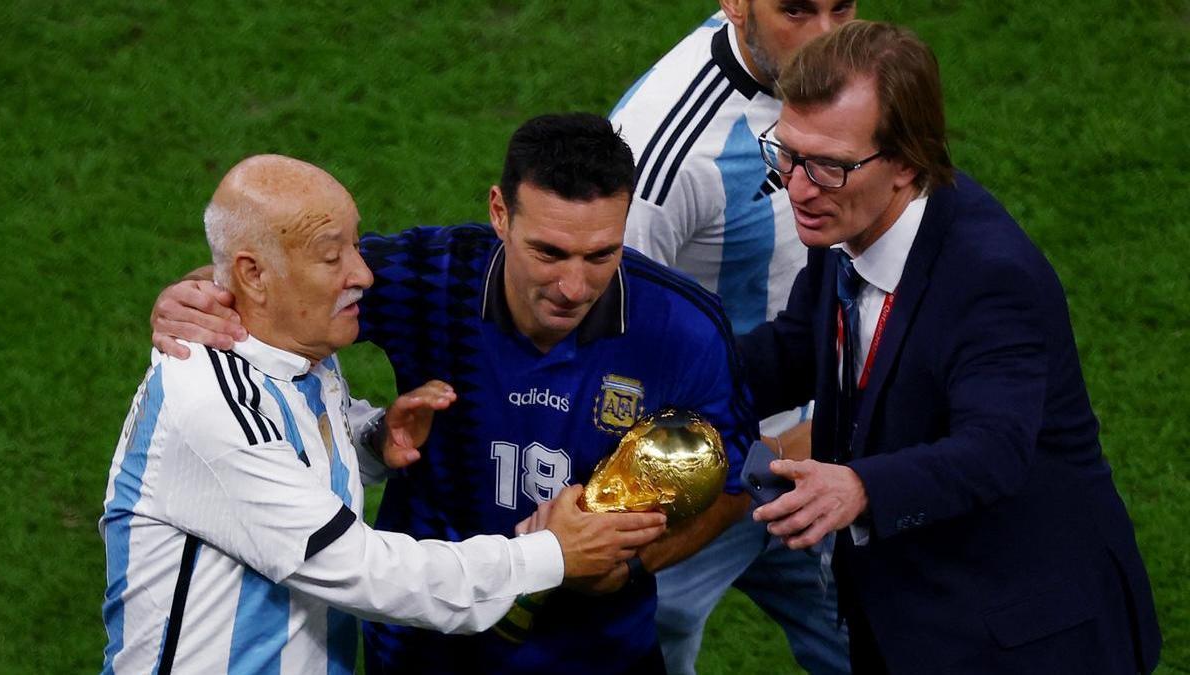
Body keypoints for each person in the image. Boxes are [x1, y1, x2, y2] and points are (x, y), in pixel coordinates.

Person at [149, 114, 759, 674]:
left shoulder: (686, 328)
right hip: (423, 650)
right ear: (500, 213)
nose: (574, 286)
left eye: (602, 254)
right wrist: (194, 294)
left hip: (598, 656)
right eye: (548, 252)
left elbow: (728, 485)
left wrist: (625, 568)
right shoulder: (432, 276)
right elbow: (280, 283)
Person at [739, 21, 1162, 673]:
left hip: (1023, 639)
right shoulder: (847, 222)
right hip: (908, 619)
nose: (796, 187)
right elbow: (796, 348)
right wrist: (664, 372)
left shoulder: (991, 276)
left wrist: (859, 485)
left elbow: (994, 447)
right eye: (787, 154)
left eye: (827, 164)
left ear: (906, 162)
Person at [609, 2, 856, 672]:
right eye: (799, 9)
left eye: (845, 6)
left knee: (891, 644)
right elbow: (609, 356)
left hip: (815, 453)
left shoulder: (854, 85)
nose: (829, 37)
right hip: (691, 489)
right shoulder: (662, 159)